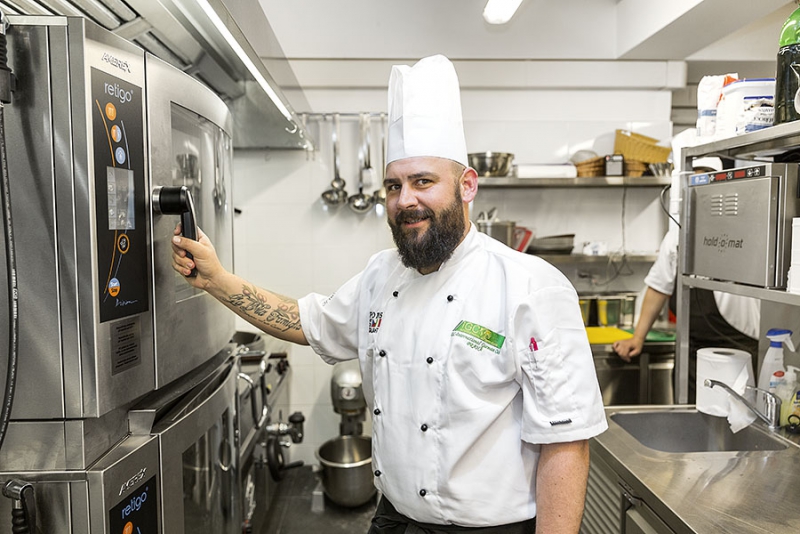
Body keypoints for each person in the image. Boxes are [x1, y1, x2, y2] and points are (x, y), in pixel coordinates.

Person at [172, 55, 607, 533]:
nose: (405, 200)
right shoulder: (381, 275)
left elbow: (565, 443)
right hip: (393, 521)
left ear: (467, 186)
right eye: (394, 185)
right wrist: (216, 279)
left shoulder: (530, 287)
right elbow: (304, 321)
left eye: (423, 181)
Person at [613, 228, 760, 401]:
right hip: (691, 356)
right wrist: (638, 337)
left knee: (739, 413)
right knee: (690, 414)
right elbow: (659, 287)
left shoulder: (745, 230)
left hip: (739, 353)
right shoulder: (677, 234)